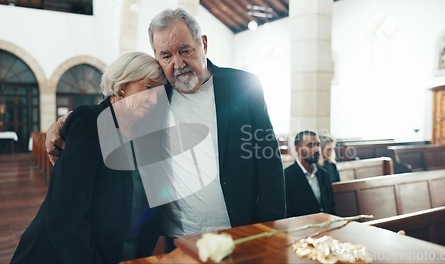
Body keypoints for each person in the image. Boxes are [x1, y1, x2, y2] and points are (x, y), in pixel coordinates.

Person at [46, 7, 286, 249]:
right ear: (157, 57)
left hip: (241, 230)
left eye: (185, 51)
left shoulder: (244, 86)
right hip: (179, 236)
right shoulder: (156, 94)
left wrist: (270, 232)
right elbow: (112, 109)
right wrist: (62, 125)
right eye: (167, 56)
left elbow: (269, 163)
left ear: (203, 43)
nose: (178, 64)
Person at [11, 52, 166, 263]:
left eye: (160, 93)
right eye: (148, 88)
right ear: (122, 85)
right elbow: (65, 214)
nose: (155, 99)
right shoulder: (90, 121)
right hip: (62, 255)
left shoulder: (142, 134)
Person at [284, 130, 336, 218]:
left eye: (318, 145)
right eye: (310, 145)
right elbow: (288, 213)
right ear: (298, 149)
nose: (316, 149)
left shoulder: (323, 174)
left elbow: (331, 207)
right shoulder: (287, 176)